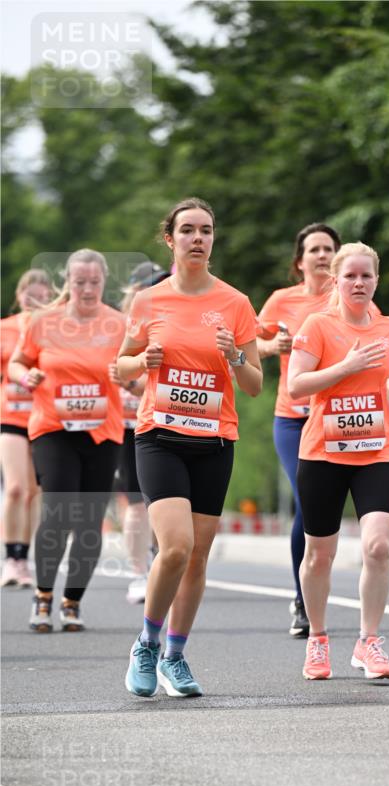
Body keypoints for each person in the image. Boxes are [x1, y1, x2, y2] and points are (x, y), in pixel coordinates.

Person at [117, 197, 262, 698]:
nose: (198, 238)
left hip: (215, 439)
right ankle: (147, 643)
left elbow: (254, 385)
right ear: (170, 239)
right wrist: (143, 362)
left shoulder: (236, 303)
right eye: (188, 231)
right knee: (175, 545)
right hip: (159, 435)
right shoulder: (148, 301)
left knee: (198, 557)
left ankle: (176, 655)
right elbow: (121, 366)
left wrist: (236, 354)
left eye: (206, 230)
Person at [287, 242, 389, 681]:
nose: (359, 283)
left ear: (377, 279)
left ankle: (368, 640)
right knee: (320, 555)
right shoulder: (318, 325)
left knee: (379, 546)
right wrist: (346, 365)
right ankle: (318, 640)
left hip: (377, 450)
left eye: (367, 276)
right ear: (335, 281)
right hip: (324, 452)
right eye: (350, 276)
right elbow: (296, 385)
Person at [8, 250, 125, 631]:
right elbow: (18, 362)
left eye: (94, 282)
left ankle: (72, 601)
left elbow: (138, 373)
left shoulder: (119, 324)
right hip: (53, 428)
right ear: (67, 283)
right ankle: (42, 596)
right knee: (58, 513)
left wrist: (128, 374)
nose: (88, 289)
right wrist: (26, 377)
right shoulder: (44, 322)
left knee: (90, 522)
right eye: (80, 282)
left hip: (102, 431)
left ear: (104, 282)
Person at [257, 224, 342, 638]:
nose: (322, 256)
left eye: (329, 249)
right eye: (315, 250)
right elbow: (247, 343)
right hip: (293, 417)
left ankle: (312, 590)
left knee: (324, 505)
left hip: (338, 416)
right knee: (306, 498)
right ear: (300, 260)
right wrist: (274, 348)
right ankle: (302, 599)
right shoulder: (282, 301)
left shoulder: (348, 298)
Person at [114, 261, 170, 604]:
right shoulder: (115, 327)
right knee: (136, 503)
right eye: (150, 285)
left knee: (162, 504)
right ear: (134, 291)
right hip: (126, 423)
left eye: (161, 284)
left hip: (166, 421)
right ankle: (138, 573)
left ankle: (158, 562)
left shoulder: (170, 323)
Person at [0, 269, 54, 588]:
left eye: (42, 295)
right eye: (29, 295)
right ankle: (11, 559)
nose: (35, 300)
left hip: (44, 418)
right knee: (16, 487)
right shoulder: (5, 329)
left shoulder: (54, 331)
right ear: (19, 296)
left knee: (35, 492)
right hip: (10, 416)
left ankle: (24, 558)